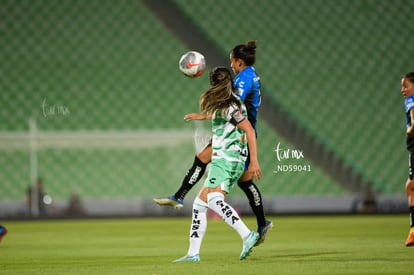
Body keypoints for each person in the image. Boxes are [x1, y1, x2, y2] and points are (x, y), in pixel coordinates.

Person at [154, 41, 273, 245]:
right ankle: (262, 223)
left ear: (239, 62)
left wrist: (255, 160)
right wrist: (205, 116)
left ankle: (180, 196)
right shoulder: (249, 73)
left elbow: (231, 106)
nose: (231, 66)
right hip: (235, 128)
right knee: (242, 181)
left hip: (237, 133)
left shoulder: (243, 79)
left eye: (232, 62)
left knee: (211, 164)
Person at [173, 67, 261, 262]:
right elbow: (228, 119)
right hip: (230, 158)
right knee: (199, 205)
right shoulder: (230, 102)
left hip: (226, 159)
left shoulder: (228, 105)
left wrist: (254, 161)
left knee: (214, 199)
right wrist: (202, 116)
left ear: (213, 83)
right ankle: (192, 253)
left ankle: (247, 235)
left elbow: (249, 130)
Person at [402, 71, 414, 247]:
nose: (403, 89)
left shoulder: (411, 100)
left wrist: (410, 130)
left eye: (406, 85)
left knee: (411, 187)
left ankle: (413, 231)